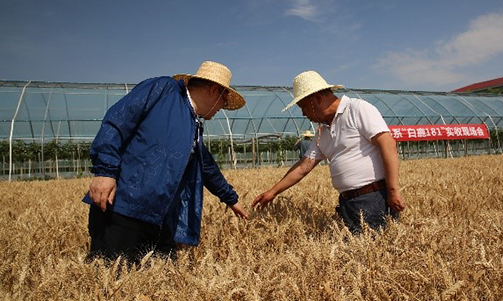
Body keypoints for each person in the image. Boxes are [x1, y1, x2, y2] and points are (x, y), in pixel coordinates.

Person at [83, 61, 249, 263]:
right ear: (214, 91)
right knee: (111, 280)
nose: (221, 109)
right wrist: (105, 172)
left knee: (165, 284)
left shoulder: (193, 125)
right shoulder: (162, 90)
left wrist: (230, 198)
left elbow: (205, 166)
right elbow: (117, 121)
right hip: (123, 211)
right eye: (223, 102)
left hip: (161, 219)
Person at [252, 71, 405, 233]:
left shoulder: (357, 109)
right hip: (348, 203)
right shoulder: (322, 132)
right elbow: (304, 166)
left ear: (316, 99)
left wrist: (393, 191)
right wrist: (272, 192)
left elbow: (387, 144)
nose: (303, 113)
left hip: (373, 198)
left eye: (303, 107)